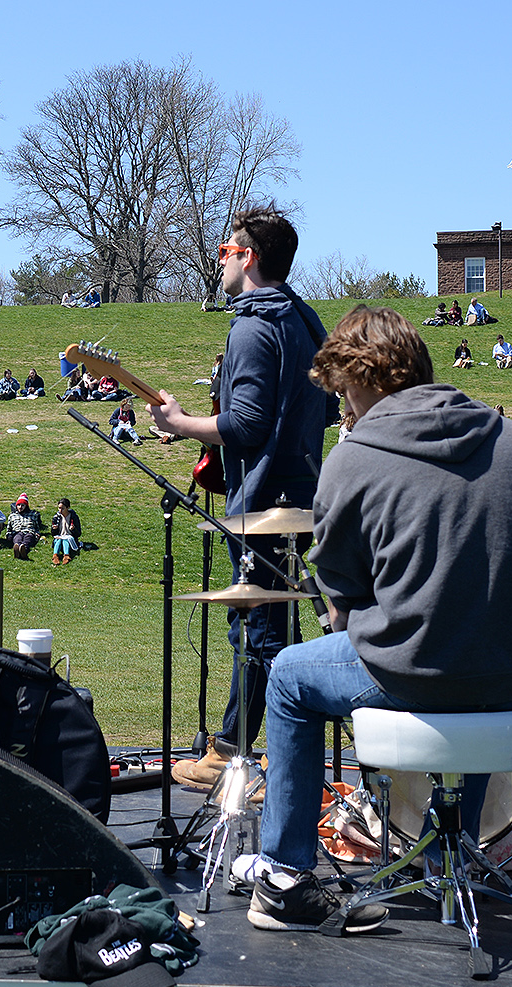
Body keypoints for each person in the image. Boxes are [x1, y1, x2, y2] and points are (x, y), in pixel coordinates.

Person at [245, 304, 512, 936]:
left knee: (291, 676)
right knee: (480, 661)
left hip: (421, 670)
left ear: (369, 378)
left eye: (346, 395)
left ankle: (283, 878)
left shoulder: (355, 457)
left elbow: (342, 597)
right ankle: (450, 857)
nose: (344, 413)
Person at [147, 204, 337, 790]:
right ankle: (268, 750)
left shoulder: (254, 326)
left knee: (258, 633)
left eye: (227, 250)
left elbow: (248, 425)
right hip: (303, 493)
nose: (220, 261)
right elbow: (326, 405)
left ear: (248, 257)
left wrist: (181, 424)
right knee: (281, 629)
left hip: (263, 506)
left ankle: (232, 754)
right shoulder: (303, 320)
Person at [8, 494, 43, 560]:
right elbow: (9, 528)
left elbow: (36, 526)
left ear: (26, 506)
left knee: (28, 539)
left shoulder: (33, 514)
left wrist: (37, 533)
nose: (20, 507)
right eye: (18, 505)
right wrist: (8, 535)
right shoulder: (12, 515)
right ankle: (17, 549)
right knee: (17, 538)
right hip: (17, 531)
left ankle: (23, 550)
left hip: (29, 531)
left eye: (22, 505)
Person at [51, 498, 82, 565]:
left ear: (67, 508)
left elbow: (78, 533)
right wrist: (54, 529)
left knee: (66, 540)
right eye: (59, 508)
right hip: (59, 537)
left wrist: (73, 529)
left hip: (69, 538)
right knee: (59, 540)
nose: (60, 510)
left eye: (62, 508)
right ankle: (55, 556)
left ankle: (66, 556)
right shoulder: (56, 517)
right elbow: (53, 534)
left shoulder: (73, 517)